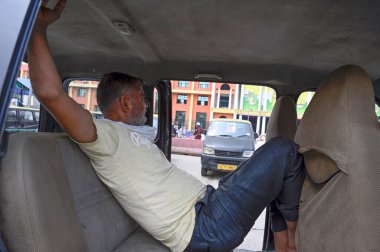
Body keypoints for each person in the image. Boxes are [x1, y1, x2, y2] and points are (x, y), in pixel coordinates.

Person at [28, 1, 305, 252]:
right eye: (141, 98)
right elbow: (51, 94)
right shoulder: (104, 137)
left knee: (273, 168)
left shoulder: (132, 137)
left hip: (209, 206)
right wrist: (37, 27)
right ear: (125, 103)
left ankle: (282, 237)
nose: (147, 105)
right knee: (284, 151)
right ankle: (288, 241)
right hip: (204, 227)